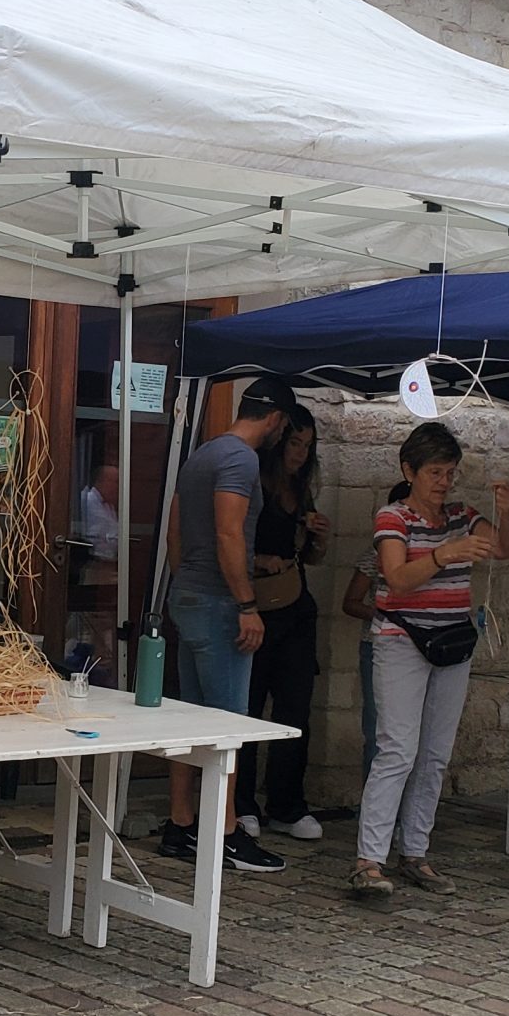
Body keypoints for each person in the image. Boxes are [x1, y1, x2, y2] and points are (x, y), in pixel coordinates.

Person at [353, 422, 509, 898]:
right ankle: (369, 858)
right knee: (397, 749)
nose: (444, 481)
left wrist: (505, 514)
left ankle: (415, 851)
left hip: (450, 641)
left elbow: (507, 549)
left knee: (435, 753)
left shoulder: (463, 515)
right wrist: (446, 555)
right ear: (410, 471)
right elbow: (397, 577)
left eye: (450, 472)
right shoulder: (393, 517)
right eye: (434, 472)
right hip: (401, 639)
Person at [161, 374, 297, 874]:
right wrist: (245, 603)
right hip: (220, 604)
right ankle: (226, 831)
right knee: (227, 727)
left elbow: (176, 531)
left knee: (189, 720)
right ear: (277, 419)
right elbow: (228, 531)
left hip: (190, 594)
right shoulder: (241, 459)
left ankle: (181, 824)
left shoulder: (202, 454)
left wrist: (188, 584)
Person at [238, 403, 331, 841]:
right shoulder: (254, 481)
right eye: (294, 443)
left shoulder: (301, 487)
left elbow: (309, 557)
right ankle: (241, 803)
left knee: (295, 708)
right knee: (249, 706)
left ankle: (287, 804)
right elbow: (230, 542)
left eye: (307, 446)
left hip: (295, 606)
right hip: (256, 604)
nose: (300, 453)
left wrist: (316, 537)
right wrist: (261, 561)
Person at [343, 481, 413, 779]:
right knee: (378, 729)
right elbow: (351, 602)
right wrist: (384, 613)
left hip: (416, 647)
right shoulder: (374, 557)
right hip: (378, 644)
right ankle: (374, 811)